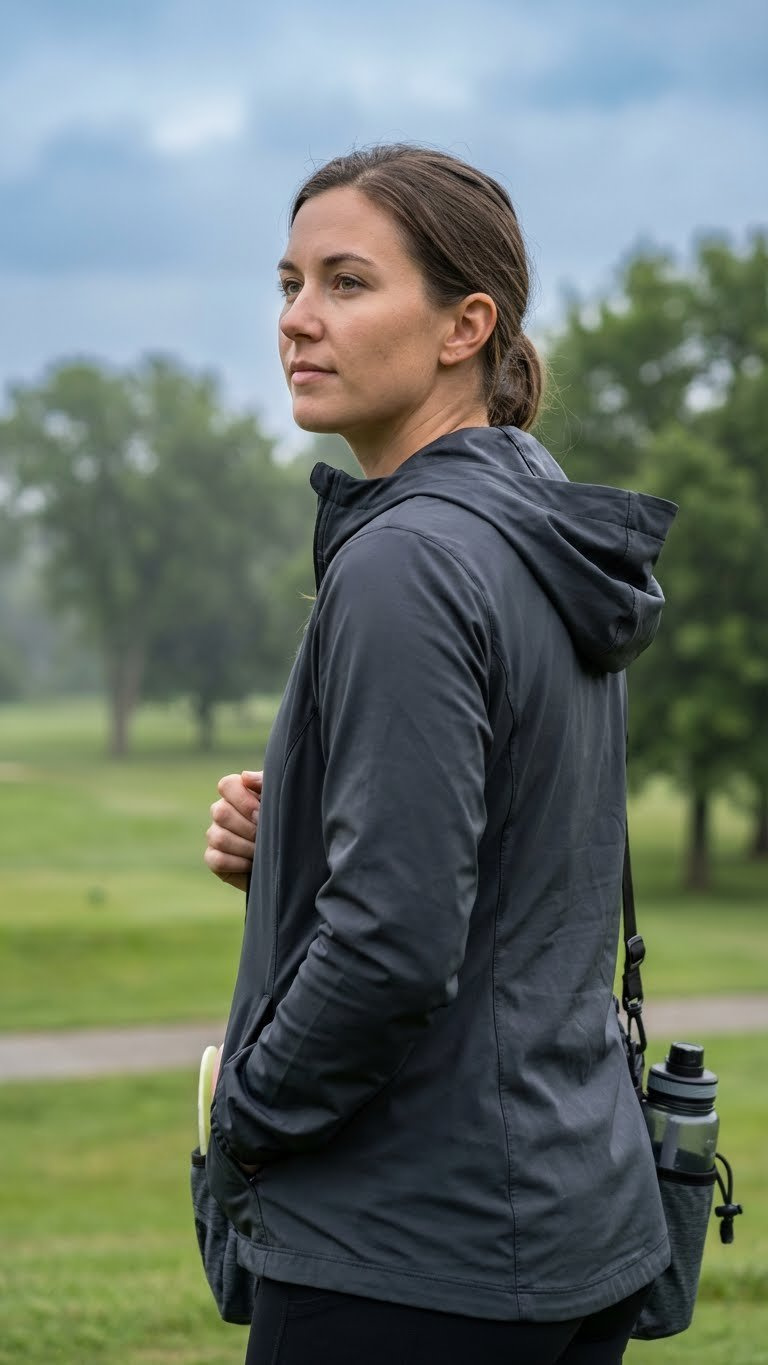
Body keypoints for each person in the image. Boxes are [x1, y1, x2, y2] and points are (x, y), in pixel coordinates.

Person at [202, 144, 676, 1365]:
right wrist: (296, 840)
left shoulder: (405, 561)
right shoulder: (536, 529)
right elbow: (509, 859)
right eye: (289, 283)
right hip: (571, 1224)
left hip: (411, 1252)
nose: (297, 320)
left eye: (348, 282)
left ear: (468, 325)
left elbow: (394, 941)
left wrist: (248, 1117)